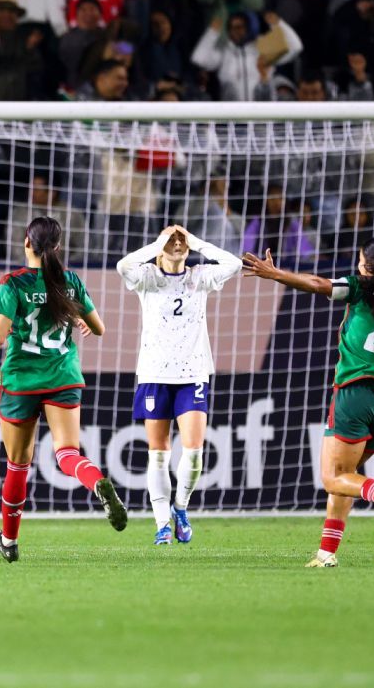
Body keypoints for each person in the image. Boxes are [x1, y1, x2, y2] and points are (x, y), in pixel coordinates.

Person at [0, 217, 125, 562]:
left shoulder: (12, 283)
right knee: (67, 452)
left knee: (17, 464)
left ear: (26, 243)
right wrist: (74, 316)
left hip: (20, 382)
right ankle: (96, 482)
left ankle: (10, 542)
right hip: (62, 376)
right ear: (57, 248)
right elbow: (99, 328)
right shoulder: (70, 281)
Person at [243, 237, 374, 567]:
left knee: (332, 477)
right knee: (347, 476)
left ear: (370, 267)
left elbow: (318, 283)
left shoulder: (362, 287)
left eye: (361, 258)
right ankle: (326, 554)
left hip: (355, 392)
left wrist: (276, 274)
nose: (357, 262)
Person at [116, 225, 241, 545]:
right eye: (170, 241)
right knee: (158, 453)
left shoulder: (199, 276)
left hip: (193, 374)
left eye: (180, 241)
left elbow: (234, 264)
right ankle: (161, 525)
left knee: (194, 450)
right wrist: (157, 242)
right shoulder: (147, 277)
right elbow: (123, 265)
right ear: (159, 246)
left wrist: (196, 242)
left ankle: (181, 509)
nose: (176, 245)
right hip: (155, 374)